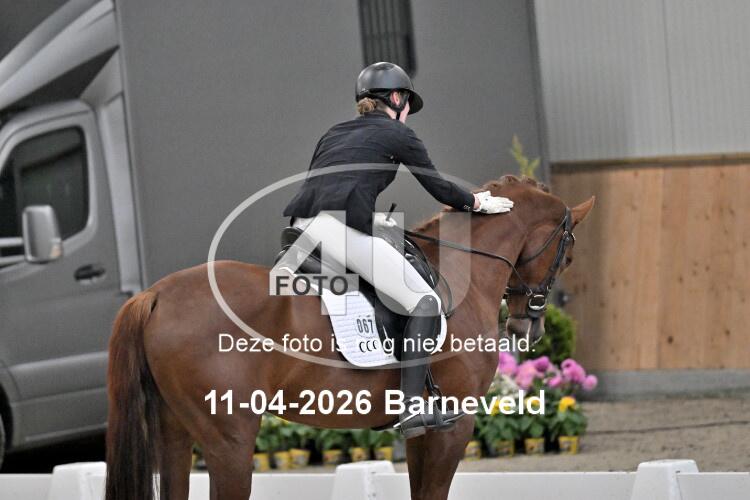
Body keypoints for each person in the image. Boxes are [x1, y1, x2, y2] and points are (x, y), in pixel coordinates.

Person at [283, 61, 513, 438]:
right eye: (407, 105)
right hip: (340, 232)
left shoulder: (333, 133)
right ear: (396, 97)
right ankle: (411, 407)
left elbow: (329, 188)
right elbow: (439, 188)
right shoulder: (398, 134)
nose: (407, 114)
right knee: (425, 302)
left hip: (301, 228)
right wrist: (477, 202)